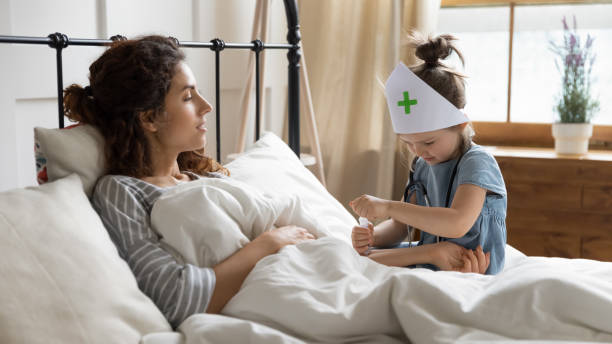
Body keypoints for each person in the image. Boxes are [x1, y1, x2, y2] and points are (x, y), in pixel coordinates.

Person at [62, 35, 491, 329]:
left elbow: (327, 247)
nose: (208, 106)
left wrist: (418, 252)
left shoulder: (203, 177)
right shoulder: (121, 191)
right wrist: (268, 245)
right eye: (189, 96)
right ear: (149, 118)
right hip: (289, 284)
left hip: (323, 268)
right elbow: (174, 298)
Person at [350, 33, 507, 275]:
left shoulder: (477, 162)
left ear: (461, 124)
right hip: (436, 257)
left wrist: (388, 207)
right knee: (360, 257)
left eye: (428, 141)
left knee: (367, 262)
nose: (419, 151)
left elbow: (456, 223)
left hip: (470, 263)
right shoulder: (422, 163)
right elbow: (400, 226)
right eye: (408, 143)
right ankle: (431, 253)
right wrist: (371, 237)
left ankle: (431, 253)